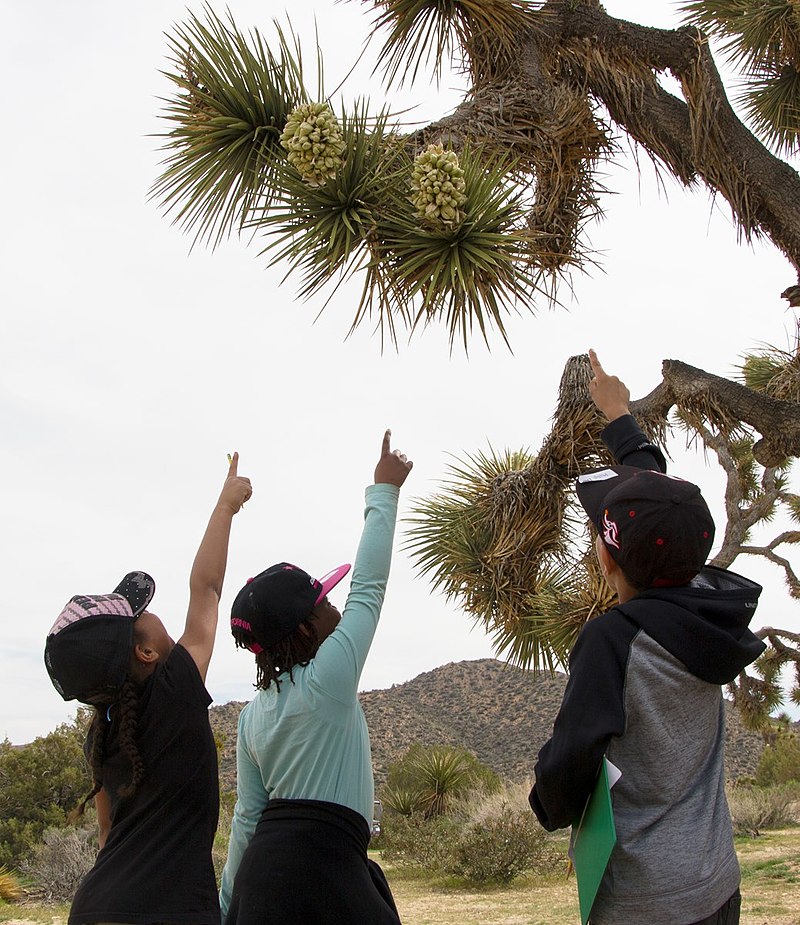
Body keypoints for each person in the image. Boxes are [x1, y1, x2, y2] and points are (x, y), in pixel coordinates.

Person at [529, 350, 766, 925]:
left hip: (644, 900)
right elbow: (661, 501)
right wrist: (619, 415)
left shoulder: (614, 640)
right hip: (715, 882)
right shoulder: (713, 606)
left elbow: (571, 763)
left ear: (608, 561)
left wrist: (547, 800)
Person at [44, 453, 253, 925]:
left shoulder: (99, 737)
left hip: (96, 905)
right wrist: (225, 508)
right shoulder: (176, 690)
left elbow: (105, 834)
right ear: (146, 653)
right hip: (175, 910)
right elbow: (207, 589)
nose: (151, 614)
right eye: (140, 615)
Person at [220, 428, 412, 925]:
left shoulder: (251, 717)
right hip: (322, 873)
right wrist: (384, 491)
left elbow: (246, 820)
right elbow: (368, 588)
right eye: (325, 602)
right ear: (307, 628)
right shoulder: (329, 678)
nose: (335, 608)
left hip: (262, 883)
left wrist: (226, 907)